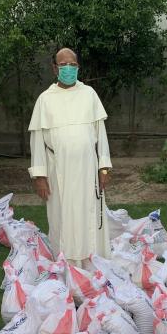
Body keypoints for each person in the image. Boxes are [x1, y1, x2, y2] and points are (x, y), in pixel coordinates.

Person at [28, 48, 112, 267]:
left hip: (87, 169)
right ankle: (66, 265)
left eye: (72, 65)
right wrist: (39, 176)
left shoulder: (89, 94)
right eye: (63, 65)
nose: (68, 69)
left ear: (78, 67)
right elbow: (37, 140)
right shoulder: (45, 100)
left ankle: (91, 263)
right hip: (59, 171)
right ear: (54, 68)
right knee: (62, 218)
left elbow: (100, 133)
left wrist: (103, 167)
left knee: (88, 216)